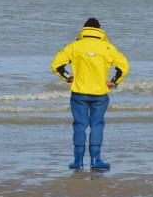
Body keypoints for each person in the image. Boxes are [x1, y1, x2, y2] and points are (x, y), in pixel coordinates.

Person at [51, 18, 129, 170]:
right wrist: (113, 82)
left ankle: (78, 162)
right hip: (100, 94)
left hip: (79, 93)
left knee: (79, 125)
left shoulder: (74, 46)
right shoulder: (108, 47)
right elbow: (124, 67)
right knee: (97, 125)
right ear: (99, 30)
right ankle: (95, 160)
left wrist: (68, 78)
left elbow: (56, 65)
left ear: (84, 30)